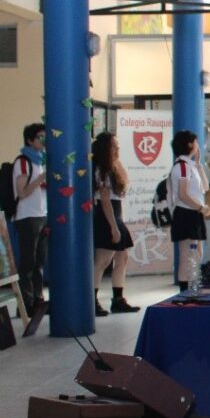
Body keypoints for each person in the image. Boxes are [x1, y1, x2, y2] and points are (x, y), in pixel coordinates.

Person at [90, 132, 139, 316]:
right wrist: (113, 226)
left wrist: (117, 162)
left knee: (122, 257)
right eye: (114, 146)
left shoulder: (113, 167)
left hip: (116, 214)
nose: (117, 149)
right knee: (102, 260)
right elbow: (104, 199)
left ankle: (118, 298)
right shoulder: (100, 169)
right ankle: (92, 300)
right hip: (106, 216)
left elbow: (124, 184)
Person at [170, 130, 210, 292]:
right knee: (188, 255)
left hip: (194, 213)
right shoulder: (181, 166)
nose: (198, 146)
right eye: (196, 142)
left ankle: (192, 288)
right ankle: (184, 291)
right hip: (185, 214)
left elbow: (205, 187)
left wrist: (198, 163)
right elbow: (183, 194)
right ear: (189, 144)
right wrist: (201, 207)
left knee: (197, 254)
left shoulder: (189, 166)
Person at [13, 123, 48, 315]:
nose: (44, 141)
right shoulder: (23, 161)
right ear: (30, 140)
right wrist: (42, 177)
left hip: (41, 215)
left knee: (39, 262)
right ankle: (25, 304)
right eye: (40, 138)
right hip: (27, 216)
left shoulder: (40, 161)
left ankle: (38, 300)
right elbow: (23, 192)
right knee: (28, 262)